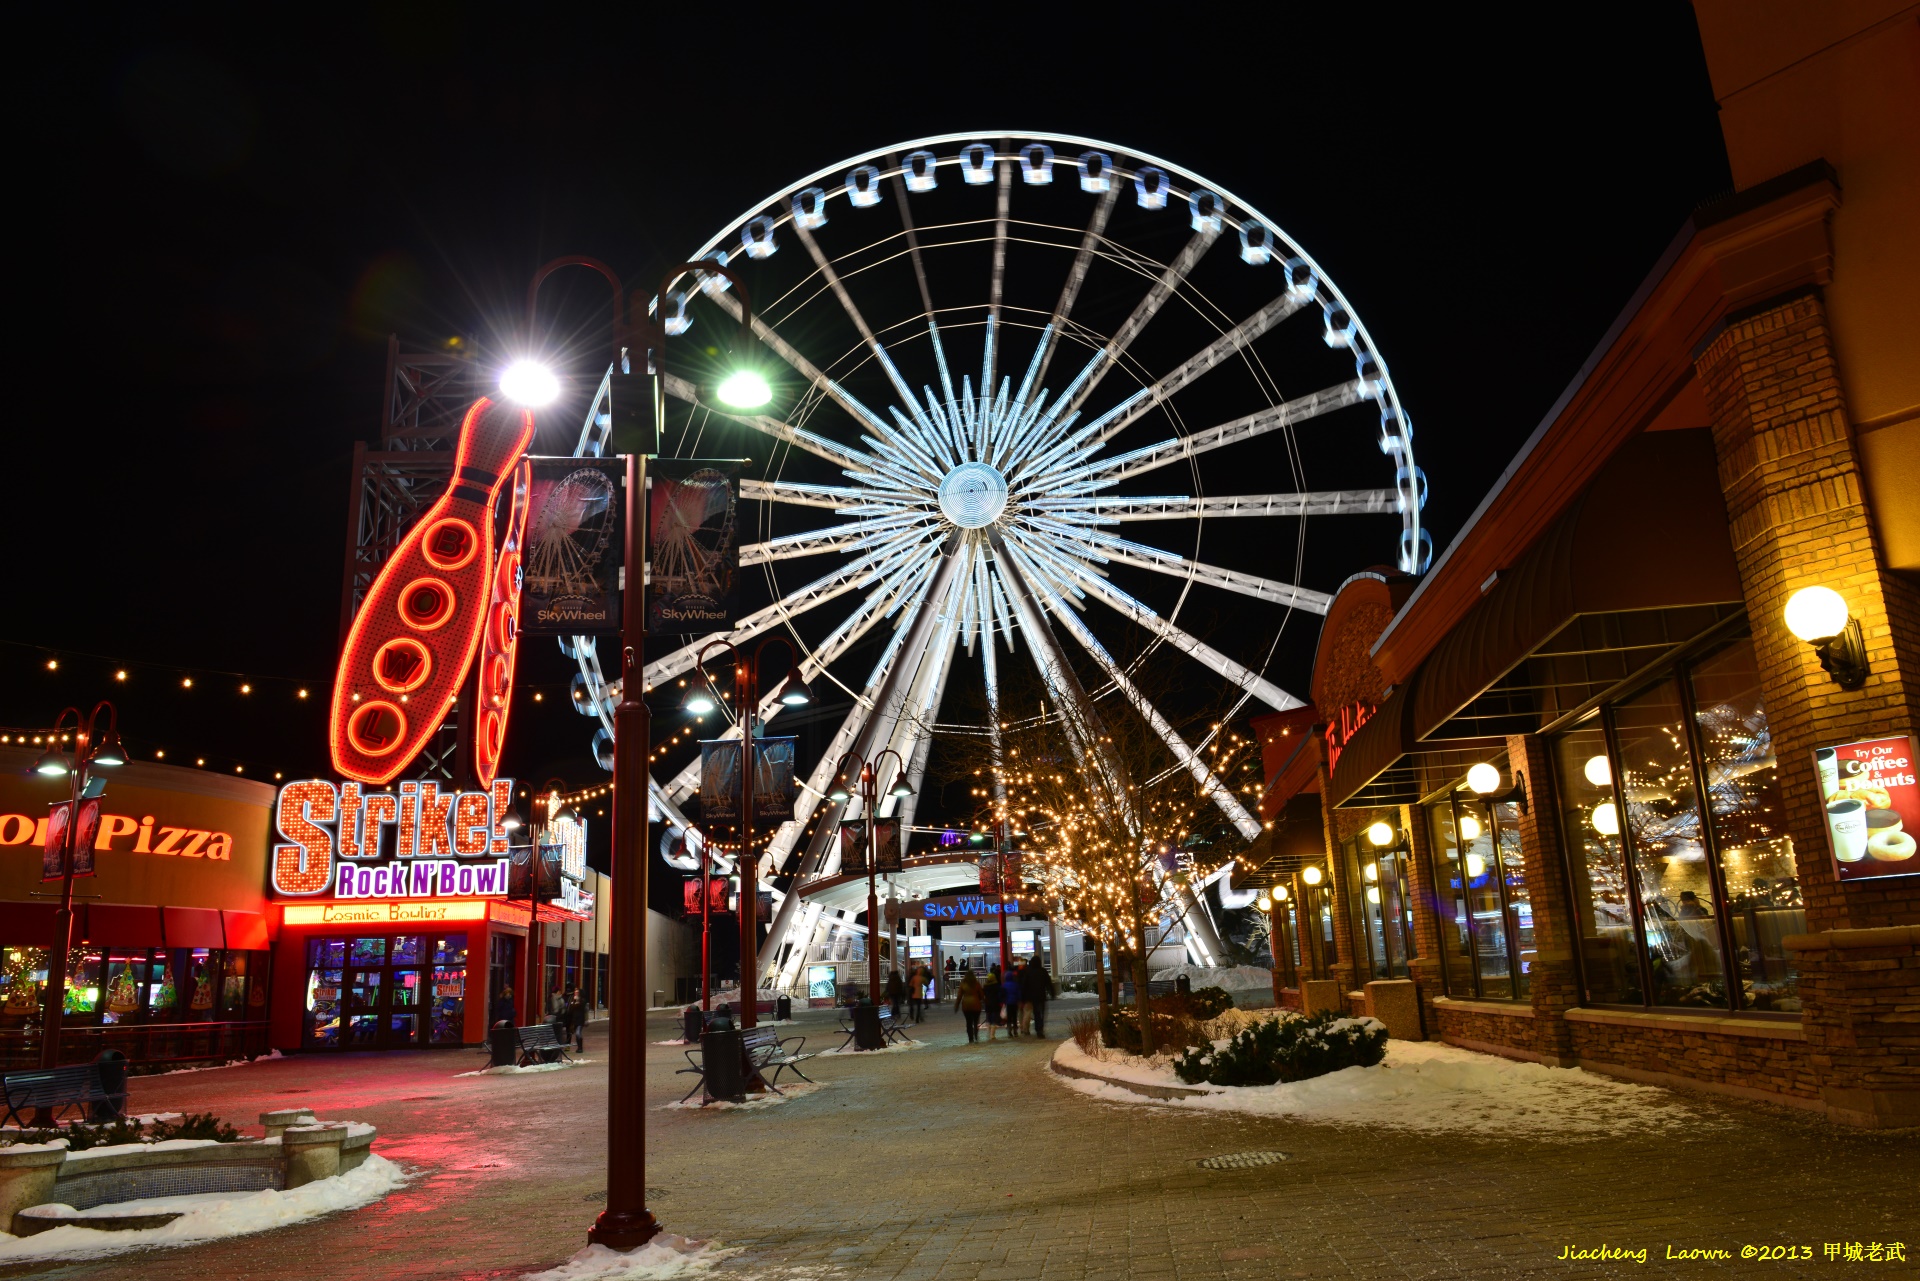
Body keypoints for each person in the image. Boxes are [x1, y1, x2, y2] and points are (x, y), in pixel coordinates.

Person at [1020, 952, 1054, 1038]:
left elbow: (1024, 985)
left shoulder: (1028, 972)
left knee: (1032, 1013)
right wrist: (1052, 993)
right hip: (1040, 996)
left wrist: (1023, 996)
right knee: (1040, 1013)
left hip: (1030, 997)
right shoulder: (1043, 971)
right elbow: (1048, 983)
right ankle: (1039, 1029)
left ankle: (1031, 1029)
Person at [954, 969, 984, 1042]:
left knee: (969, 1022)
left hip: (966, 1006)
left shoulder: (963, 984)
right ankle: (976, 1035)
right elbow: (981, 995)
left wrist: (957, 1005)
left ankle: (970, 1038)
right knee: (976, 1021)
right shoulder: (976, 983)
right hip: (976, 1005)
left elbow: (959, 996)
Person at [983, 965, 1005, 1042]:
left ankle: (988, 1033)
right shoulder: (997, 986)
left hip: (988, 1004)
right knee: (994, 1020)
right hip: (995, 1004)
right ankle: (992, 1035)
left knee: (988, 1019)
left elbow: (983, 996)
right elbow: (1000, 995)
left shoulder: (985, 987)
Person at [563, 985, 587, 1052]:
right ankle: (578, 1047)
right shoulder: (573, 999)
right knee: (574, 1033)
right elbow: (571, 1009)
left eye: (577, 992)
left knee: (578, 1033)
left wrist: (576, 1001)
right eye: (575, 991)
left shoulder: (582, 1000)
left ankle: (580, 1048)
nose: (575, 992)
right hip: (574, 1019)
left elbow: (582, 1008)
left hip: (580, 1020)